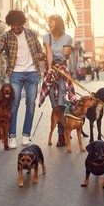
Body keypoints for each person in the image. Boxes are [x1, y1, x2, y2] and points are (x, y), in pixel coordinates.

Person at [0, 10, 45, 149]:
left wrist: (41, 55)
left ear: (22, 23)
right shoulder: (6, 36)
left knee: (30, 104)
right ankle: (11, 137)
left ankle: (25, 135)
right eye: (13, 25)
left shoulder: (31, 34)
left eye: (18, 25)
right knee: (14, 104)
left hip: (32, 73)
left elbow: (40, 51)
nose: (15, 28)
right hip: (15, 73)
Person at [38, 14, 76, 147]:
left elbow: (67, 56)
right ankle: (64, 128)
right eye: (48, 22)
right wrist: (49, 68)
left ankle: (61, 135)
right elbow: (48, 53)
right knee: (54, 104)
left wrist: (67, 54)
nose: (49, 24)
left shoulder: (68, 38)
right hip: (51, 69)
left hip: (62, 70)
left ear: (58, 23)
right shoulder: (46, 37)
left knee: (61, 100)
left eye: (51, 22)